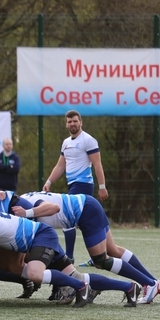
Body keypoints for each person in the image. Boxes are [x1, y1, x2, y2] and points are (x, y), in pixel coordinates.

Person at [0, 204, 142, 308]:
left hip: (41, 236)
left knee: (40, 274)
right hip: (24, 241)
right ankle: (129, 287)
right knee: (9, 266)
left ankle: (81, 287)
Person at [14, 191, 160, 304]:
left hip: (86, 211)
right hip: (87, 205)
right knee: (113, 250)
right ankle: (153, 281)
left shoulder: (25, 205)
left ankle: (149, 283)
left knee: (100, 260)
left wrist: (27, 213)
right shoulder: (22, 198)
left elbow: (53, 208)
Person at [43, 110, 108, 263]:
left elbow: (97, 164)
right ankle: (100, 253)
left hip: (83, 185)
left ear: (81, 122)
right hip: (73, 185)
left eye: (75, 121)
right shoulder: (66, 143)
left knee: (67, 217)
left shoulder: (88, 140)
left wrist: (102, 186)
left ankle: (69, 257)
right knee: (88, 220)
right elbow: (60, 166)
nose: (72, 124)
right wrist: (49, 182)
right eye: (69, 121)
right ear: (66, 124)